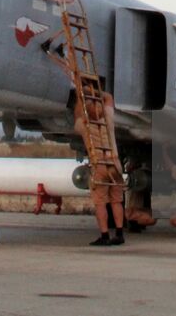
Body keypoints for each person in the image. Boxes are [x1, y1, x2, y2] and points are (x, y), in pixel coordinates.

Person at [74, 91, 126, 246]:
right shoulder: (108, 120)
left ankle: (104, 235)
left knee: (100, 203)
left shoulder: (85, 126)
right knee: (116, 201)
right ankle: (119, 233)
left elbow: (77, 114)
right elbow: (109, 97)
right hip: (115, 163)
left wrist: (81, 94)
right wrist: (96, 93)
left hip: (100, 165)